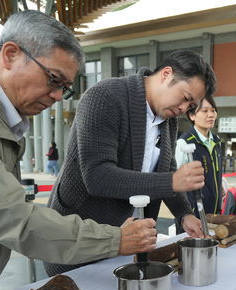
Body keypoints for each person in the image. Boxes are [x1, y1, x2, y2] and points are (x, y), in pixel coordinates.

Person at [0, 11, 156, 290]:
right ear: (11, 54)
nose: (57, 96)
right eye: (53, 79)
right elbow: (9, 215)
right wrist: (114, 239)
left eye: (64, 87)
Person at [45, 49, 216, 276]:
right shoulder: (105, 97)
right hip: (80, 243)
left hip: (128, 245)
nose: (184, 109)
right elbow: (97, 176)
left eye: (191, 105)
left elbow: (166, 171)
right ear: (166, 74)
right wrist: (172, 181)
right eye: (185, 98)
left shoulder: (168, 121)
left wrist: (184, 214)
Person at [174, 95, 222, 226]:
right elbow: (175, 183)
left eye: (213, 110)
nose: (211, 115)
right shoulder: (183, 143)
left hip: (214, 213)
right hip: (193, 216)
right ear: (192, 115)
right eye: (205, 111)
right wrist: (185, 213)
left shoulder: (216, 142)